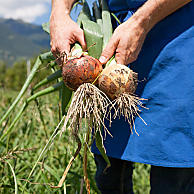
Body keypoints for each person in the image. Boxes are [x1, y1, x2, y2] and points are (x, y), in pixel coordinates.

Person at [50, 0, 194, 193]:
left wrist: (141, 21)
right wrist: (59, 15)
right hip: (108, 39)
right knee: (109, 173)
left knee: (174, 170)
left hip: (176, 33)